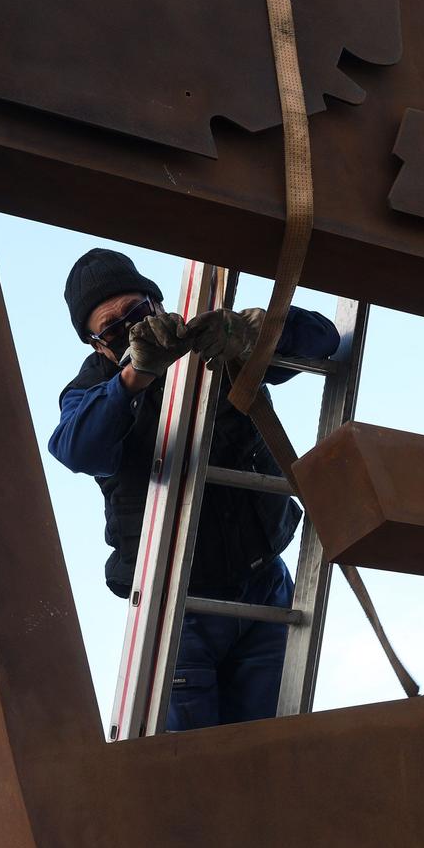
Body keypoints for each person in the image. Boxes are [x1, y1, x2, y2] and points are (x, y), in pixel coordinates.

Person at [47, 247, 339, 731]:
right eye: (113, 329)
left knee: (274, 749)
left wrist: (256, 335)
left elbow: (323, 341)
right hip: (177, 605)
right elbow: (75, 448)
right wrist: (135, 374)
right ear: (97, 344)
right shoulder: (96, 387)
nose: (129, 329)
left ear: (157, 304)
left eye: (136, 314)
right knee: (195, 764)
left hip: (264, 587)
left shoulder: (212, 339)